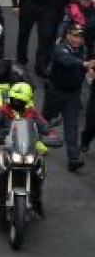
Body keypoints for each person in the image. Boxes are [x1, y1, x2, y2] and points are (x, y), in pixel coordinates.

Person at [0, 82, 53, 223]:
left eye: (20, 101)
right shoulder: (3, 110)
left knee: (39, 173)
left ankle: (37, 204)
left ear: (27, 101)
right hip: (4, 148)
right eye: (14, 99)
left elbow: (45, 126)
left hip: (27, 150)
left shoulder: (32, 112)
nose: (16, 103)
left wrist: (52, 135)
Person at [43, 23, 95, 173]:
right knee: (44, 121)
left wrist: (90, 70)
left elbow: (87, 65)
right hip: (55, 92)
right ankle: (32, 146)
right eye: (74, 36)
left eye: (80, 37)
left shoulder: (84, 50)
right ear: (67, 35)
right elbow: (67, 61)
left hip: (72, 94)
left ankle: (73, 159)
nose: (77, 39)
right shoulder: (61, 48)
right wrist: (84, 64)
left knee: (71, 127)